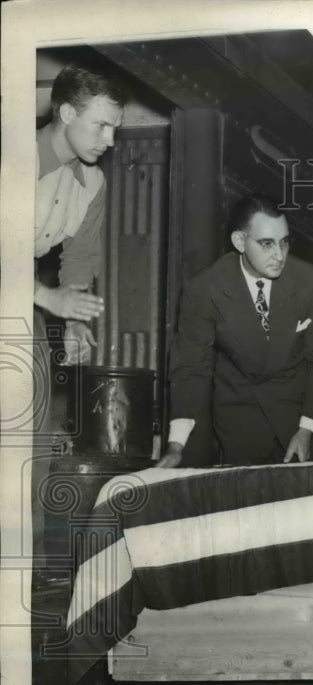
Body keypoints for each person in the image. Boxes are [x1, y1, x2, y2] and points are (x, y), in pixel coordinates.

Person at [157, 193, 313, 467]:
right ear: (240, 242)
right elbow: (191, 369)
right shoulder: (205, 289)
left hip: (302, 418)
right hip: (240, 420)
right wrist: (175, 447)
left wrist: (306, 429)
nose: (279, 255)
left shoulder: (311, 283)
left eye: (285, 242)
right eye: (267, 244)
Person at [31, 62, 125, 579]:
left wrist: (72, 319)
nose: (109, 139)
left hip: (22, 304)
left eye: (116, 128)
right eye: (101, 125)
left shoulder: (93, 182)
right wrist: (49, 299)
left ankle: (28, 570)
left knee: (33, 442)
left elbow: (81, 260)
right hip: (26, 293)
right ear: (66, 112)